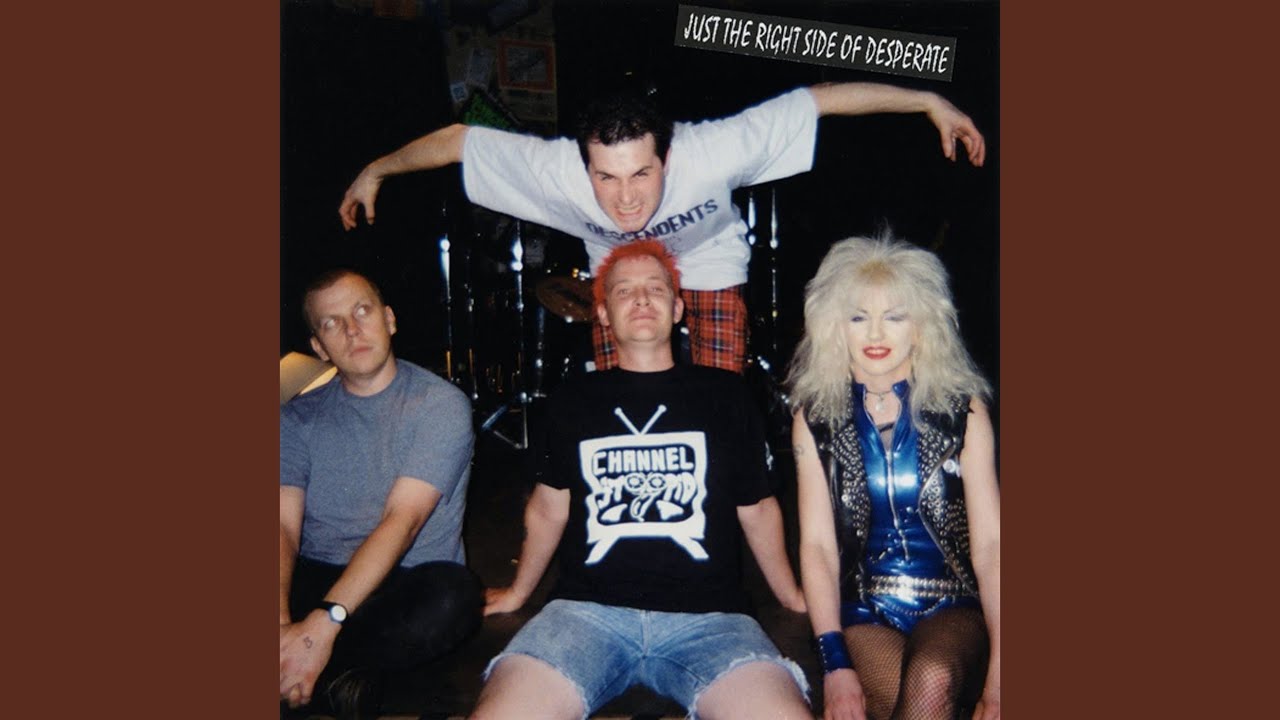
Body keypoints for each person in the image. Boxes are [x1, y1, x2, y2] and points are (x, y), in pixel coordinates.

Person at [339, 82, 986, 374]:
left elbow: (820, 100)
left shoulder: (717, 149)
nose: (626, 199)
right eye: (606, 178)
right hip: (623, 274)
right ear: (583, 165)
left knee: (717, 397)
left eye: (642, 175)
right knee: (621, 390)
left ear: (668, 158)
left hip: (709, 263)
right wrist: (376, 170)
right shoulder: (552, 171)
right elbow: (457, 141)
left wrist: (926, 101)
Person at [473, 239, 811, 719]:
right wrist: (517, 592)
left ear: (678, 308)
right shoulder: (572, 398)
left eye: (655, 288)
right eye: (624, 291)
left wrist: (792, 595)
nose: (641, 299)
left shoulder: (726, 394)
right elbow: (549, 507)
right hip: (584, 615)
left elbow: (756, 508)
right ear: (603, 314)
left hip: (711, 619)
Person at [786, 236, 1000, 720]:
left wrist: (1002, 671)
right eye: (858, 317)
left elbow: (992, 547)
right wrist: (834, 663)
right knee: (916, 697)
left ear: (923, 325)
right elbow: (817, 547)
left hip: (953, 605)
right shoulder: (815, 418)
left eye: (895, 316)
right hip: (864, 607)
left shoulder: (963, 411)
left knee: (932, 678)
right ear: (833, 326)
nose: (876, 333)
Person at [279, 269, 483, 720]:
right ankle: (333, 678)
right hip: (318, 574)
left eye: (362, 311)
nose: (352, 330)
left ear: (389, 319)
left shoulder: (439, 404)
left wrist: (321, 627)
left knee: (454, 596)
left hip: (402, 581)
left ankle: (317, 668)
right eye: (332, 323)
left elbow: (402, 521)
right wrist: (280, 625)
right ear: (318, 347)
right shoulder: (296, 418)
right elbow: (282, 527)